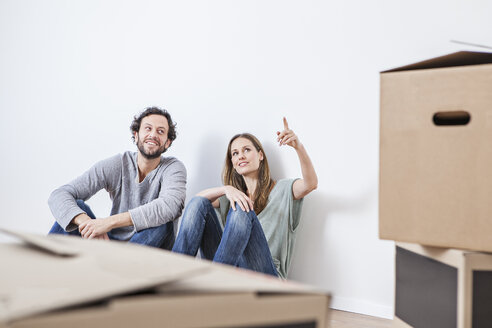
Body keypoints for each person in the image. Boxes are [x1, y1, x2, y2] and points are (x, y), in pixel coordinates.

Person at [172, 117, 317, 278]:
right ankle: (173, 278)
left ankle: (214, 280)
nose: (241, 156)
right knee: (199, 203)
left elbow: (310, 184)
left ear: (260, 155)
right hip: (232, 271)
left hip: (266, 277)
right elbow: (195, 204)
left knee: (242, 207)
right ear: (233, 163)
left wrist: (298, 147)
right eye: (235, 153)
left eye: (246, 150)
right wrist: (225, 189)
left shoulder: (283, 189)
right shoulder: (231, 197)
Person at [48, 107, 187, 249]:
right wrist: (87, 223)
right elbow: (58, 195)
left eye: (160, 131)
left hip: (146, 248)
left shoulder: (173, 168)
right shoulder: (118, 165)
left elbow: (170, 206)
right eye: (148, 128)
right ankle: (41, 262)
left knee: (161, 221)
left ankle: (121, 262)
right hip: (110, 243)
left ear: (168, 142)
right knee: (74, 208)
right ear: (136, 134)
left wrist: (108, 222)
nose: (153, 134)